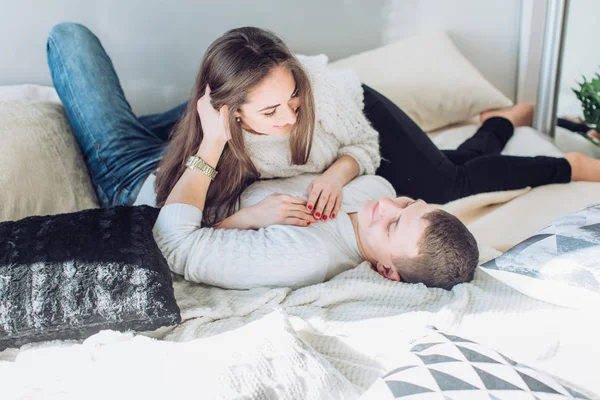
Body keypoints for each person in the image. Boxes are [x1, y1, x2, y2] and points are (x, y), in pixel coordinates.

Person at [47, 23, 600, 233]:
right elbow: (183, 224)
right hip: (156, 155)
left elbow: (360, 142)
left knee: (444, 182)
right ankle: (497, 125)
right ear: (229, 113)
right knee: (68, 36)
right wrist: (245, 210)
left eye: (291, 99)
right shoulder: (215, 139)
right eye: (270, 112)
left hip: (358, 116)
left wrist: (336, 174)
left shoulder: (318, 94)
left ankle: (565, 161)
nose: (289, 119)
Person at [152, 86, 479, 290]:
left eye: (392, 225)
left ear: (387, 271)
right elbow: (361, 156)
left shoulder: (303, 256)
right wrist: (335, 176)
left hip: (148, 184)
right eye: (408, 204)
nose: (387, 205)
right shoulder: (376, 190)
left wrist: (246, 217)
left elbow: (175, 246)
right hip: (191, 153)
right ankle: (497, 124)